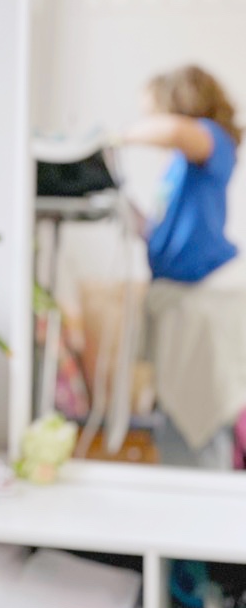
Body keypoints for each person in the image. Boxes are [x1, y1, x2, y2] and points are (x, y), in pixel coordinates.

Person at [121, 64, 244, 470]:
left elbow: (175, 131)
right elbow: (167, 231)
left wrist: (117, 136)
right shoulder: (178, 166)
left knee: (202, 425)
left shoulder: (213, 140)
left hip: (204, 302)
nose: (149, 122)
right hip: (177, 303)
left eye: (152, 112)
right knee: (176, 423)